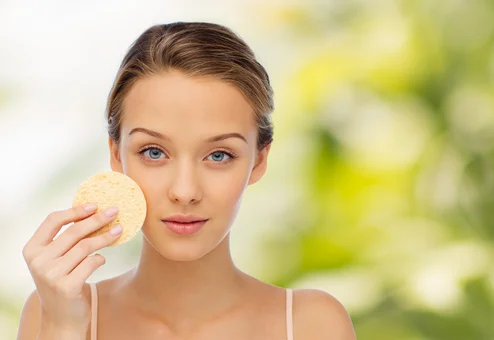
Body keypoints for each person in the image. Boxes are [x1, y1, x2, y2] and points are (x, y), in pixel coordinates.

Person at [16, 22, 356, 340]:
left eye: (219, 155)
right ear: (117, 156)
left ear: (259, 160)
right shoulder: (52, 311)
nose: (184, 192)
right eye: (153, 152)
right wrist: (63, 327)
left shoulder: (310, 323)